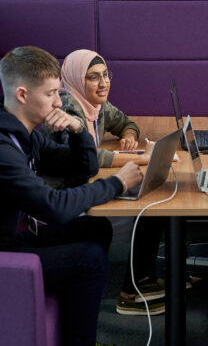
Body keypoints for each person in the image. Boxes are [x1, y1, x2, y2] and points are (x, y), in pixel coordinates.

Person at [0, 46, 143, 346]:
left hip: (12, 239)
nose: (59, 102)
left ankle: (80, 328)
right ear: (22, 95)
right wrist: (117, 184)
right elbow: (54, 208)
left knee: (96, 227)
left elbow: (83, 168)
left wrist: (78, 130)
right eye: (51, 94)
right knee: (89, 259)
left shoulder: (23, 132)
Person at [39, 49, 170, 316]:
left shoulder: (96, 105)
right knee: (152, 207)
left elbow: (126, 122)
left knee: (155, 199)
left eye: (105, 75)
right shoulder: (67, 106)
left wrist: (129, 136)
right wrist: (140, 158)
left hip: (82, 188)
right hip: (65, 199)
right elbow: (87, 158)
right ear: (76, 80)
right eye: (93, 78)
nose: (103, 83)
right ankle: (132, 291)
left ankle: (141, 281)